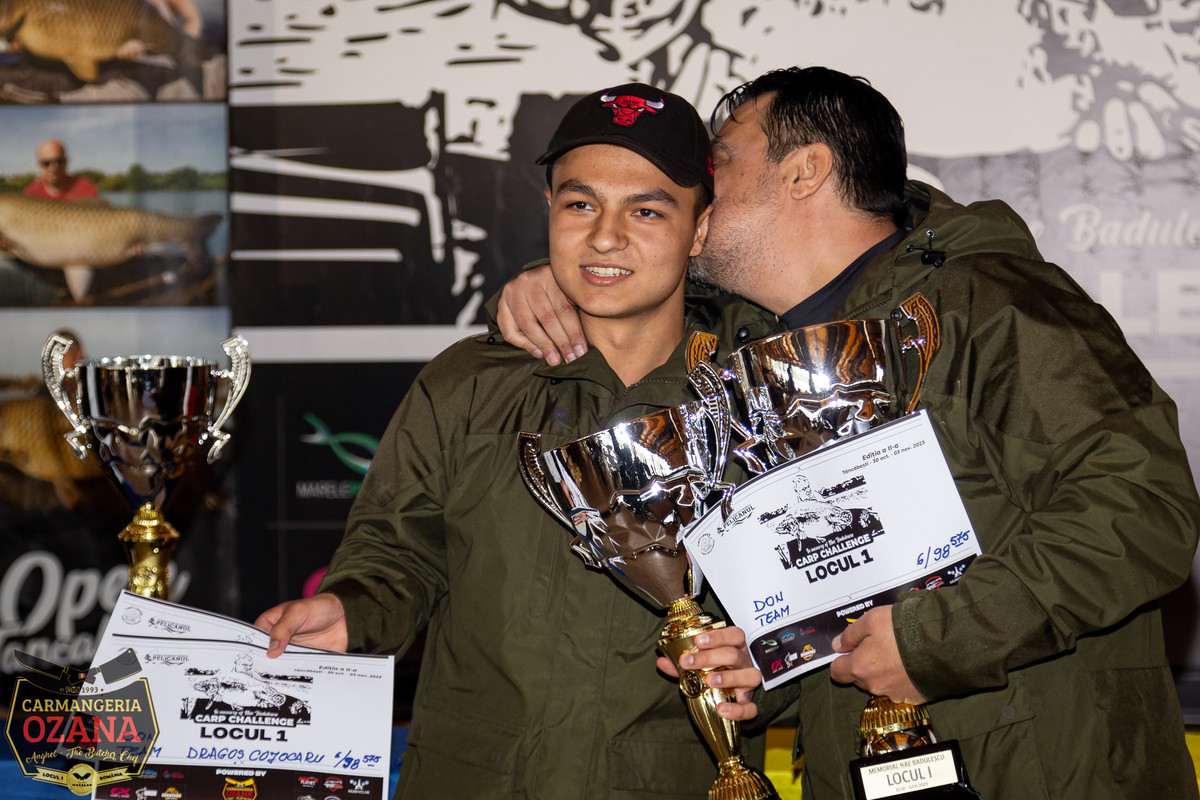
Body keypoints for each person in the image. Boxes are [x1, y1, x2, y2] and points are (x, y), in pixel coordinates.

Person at [496, 66, 1200, 799]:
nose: (701, 183)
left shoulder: (990, 306)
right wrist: (772, 662)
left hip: (1050, 773)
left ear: (804, 171)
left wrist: (931, 642)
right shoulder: (741, 353)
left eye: (721, 159)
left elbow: (1141, 506)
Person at [254, 82, 778, 798]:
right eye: (580, 204)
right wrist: (352, 608)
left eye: (647, 210)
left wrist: (769, 667)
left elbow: (815, 604)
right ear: (548, 209)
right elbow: (395, 552)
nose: (605, 236)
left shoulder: (755, 400)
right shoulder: (467, 384)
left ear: (700, 226)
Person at [22, 140, 99, 202]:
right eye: (46, 163)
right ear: (39, 166)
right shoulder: (30, 194)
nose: (53, 167)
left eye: (59, 161)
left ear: (66, 162)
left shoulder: (84, 186)